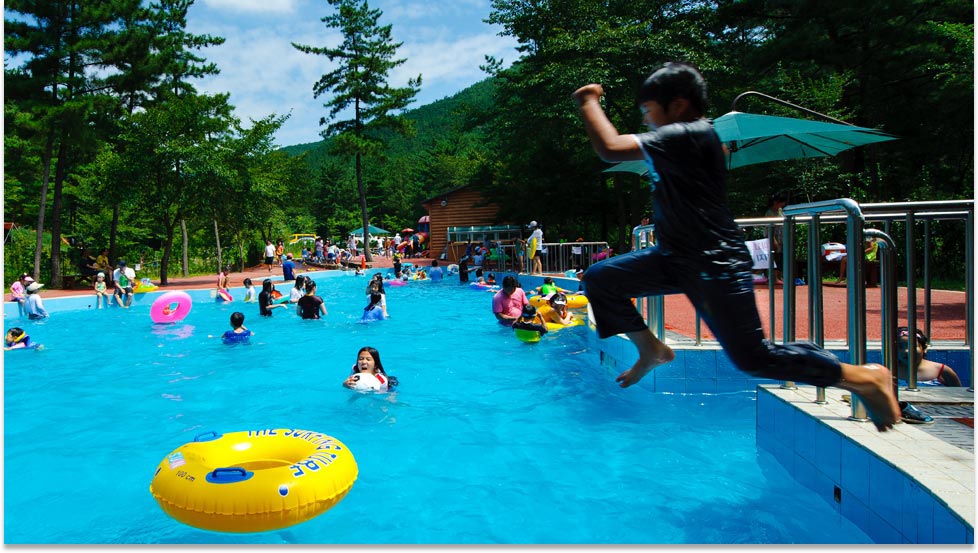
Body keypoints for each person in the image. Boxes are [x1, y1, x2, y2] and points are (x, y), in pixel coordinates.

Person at [572, 61, 899, 431]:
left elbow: (610, 147)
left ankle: (863, 377)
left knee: (753, 358)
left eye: (648, 110)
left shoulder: (689, 134)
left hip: (716, 264)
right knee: (600, 279)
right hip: (675, 258)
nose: (645, 120)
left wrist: (588, 100)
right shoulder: (684, 142)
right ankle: (650, 348)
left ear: (677, 105)